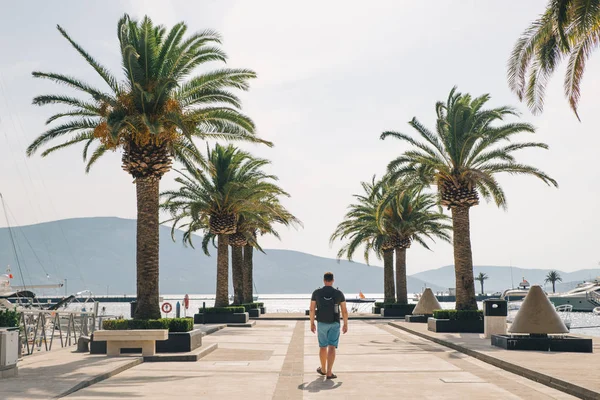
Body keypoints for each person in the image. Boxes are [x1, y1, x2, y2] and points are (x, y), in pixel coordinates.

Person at [310, 271, 348, 380]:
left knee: (323, 347)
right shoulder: (338, 293)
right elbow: (344, 310)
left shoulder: (316, 293)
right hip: (335, 323)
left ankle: (323, 369)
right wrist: (345, 324)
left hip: (321, 323)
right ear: (333, 280)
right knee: (332, 346)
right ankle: (329, 372)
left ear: (324, 280)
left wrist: (312, 323)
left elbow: (312, 309)